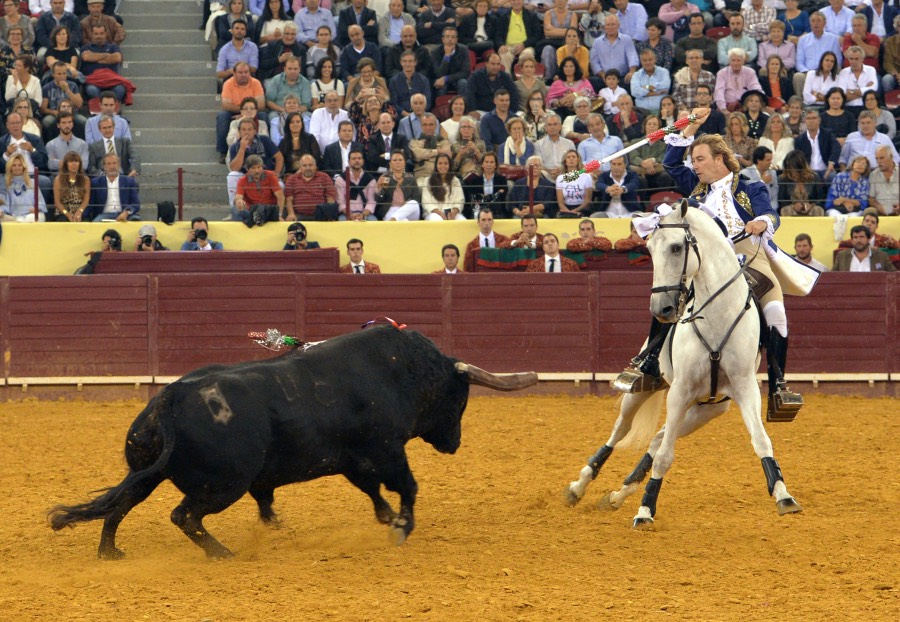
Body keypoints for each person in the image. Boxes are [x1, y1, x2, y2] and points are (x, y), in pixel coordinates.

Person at [615, 106, 807, 423]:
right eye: (694, 160)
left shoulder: (750, 184)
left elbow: (771, 214)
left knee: (776, 314)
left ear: (719, 159)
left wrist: (761, 222)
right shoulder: (696, 186)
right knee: (670, 291)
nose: (695, 165)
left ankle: (778, 387)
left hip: (750, 257)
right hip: (709, 262)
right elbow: (670, 162)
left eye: (700, 159)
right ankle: (649, 363)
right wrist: (690, 127)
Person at [794, 11, 842, 98]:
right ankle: (800, 102)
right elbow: (799, 62)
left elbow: (838, 59)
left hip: (827, 71)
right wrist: (808, 73)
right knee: (798, 77)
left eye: (818, 21)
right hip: (808, 72)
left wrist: (826, 70)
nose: (815, 23)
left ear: (824, 23)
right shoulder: (803, 40)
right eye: (813, 21)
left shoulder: (833, 39)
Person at [628, 114, 676, 197]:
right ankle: (642, 203)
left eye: (654, 124)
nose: (652, 126)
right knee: (639, 178)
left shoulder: (664, 145)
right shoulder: (635, 142)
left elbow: (663, 158)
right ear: (644, 126)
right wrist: (643, 163)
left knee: (665, 176)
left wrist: (652, 160)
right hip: (640, 172)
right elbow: (633, 157)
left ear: (659, 128)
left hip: (657, 172)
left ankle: (662, 200)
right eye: (649, 124)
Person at [234, 153, 286, 225]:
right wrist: (239, 201)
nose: (257, 171)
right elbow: (238, 197)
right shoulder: (243, 180)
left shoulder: (270, 175)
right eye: (253, 168)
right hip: (252, 211)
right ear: (247, 169)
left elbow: (280, 197)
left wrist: (279, 215)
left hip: (269, 210)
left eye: (259, 167)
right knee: (234, 210)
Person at [87, 153, 140, 222]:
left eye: (114, 163)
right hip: (104, 215)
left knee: (135, 221)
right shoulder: (96, 182)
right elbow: (90, 204)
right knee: (96, 223)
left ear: (119, 165)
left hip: (125, 214)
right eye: (108, 164)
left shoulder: (129, 181)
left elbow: (135, 204)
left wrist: (126, 212)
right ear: (104, 167)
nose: (112, 166)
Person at [589, 13, 638, 85]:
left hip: (622, 78)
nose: (610, 27)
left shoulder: (627, 39)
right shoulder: (597, 42)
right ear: (604, 27)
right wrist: (603, 75)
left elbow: (632, 57)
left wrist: (631, 72)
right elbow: (594, 62)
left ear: (618, 25)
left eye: (613, 24)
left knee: (631, 80)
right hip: (604, 78)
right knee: (593, 81)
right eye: (608, 25)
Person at [284, 153, 336, 220]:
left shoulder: (325, 177)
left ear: (315, 166)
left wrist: (328, 214)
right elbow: (288, 200)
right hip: (298, 216)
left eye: (310, 165)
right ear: (300, 168)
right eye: (304, 165)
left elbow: (330, 197)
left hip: (320, 216)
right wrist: (291, 214)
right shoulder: (291, 179)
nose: (308, 168)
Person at [493, 0, 540, 74]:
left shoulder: (532, 16)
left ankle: (524, 79)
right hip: (508, 46)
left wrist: (524, 44)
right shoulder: (503, 16)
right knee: (504, 55)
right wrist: (501, 45)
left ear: (523, 1)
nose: (516, 2)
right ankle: (507, 79)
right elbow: (498, 35)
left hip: (526, 46)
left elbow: (537, 35)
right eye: (513, 0)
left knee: (527, 54)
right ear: (510, 2)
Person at [375, 149, 422, 220]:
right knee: (404, 221)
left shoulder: (410, 178)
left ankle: (394, 219)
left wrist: (406, 204)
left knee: (414, 203)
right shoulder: (385, 177)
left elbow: (416, 198)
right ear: (390, 164)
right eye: (395, 160)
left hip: (407, 210)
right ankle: (395, 219)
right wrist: (380, 189)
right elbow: (379, 200)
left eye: (400, 160)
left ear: (404, 163)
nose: (398, 162)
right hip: (391, 209)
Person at [333, 147, 378, 220]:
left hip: (365, 214)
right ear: (349, 161)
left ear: (363, 161)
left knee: (373, 221)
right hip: (346, 214)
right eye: (354, 159)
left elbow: (371, 201)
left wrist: (363, 215)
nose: (357, 161)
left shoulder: (370, 180)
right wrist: (350, 215)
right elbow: (340, 201)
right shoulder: (341, 180)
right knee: (342, 222)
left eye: (359, 158)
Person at [778, 149, 826, 216]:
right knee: (785, 210)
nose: (791, 171)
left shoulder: (814, 177)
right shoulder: (783, 179)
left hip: (810, 209)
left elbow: (820, 199)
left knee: (818, 209)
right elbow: (781, 201)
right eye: (788, 167)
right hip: (792, 209)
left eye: (793, 168)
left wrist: (811, 205)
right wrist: (793, 206)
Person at [1, 153, 46, 222]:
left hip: (32, 215)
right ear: (10, 168)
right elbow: (4, 205)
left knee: (31, 218)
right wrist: (1, 211)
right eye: (14, 165)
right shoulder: (6, 184)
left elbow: (41, 202)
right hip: (15, 217)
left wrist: (37, 209)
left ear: (24, 167)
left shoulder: (32, 182)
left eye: (20, 165)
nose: (17, 168)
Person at [715, 48, 763, 113]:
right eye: (733, 60)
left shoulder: (750, 72)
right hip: (727, 106)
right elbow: (719, 92)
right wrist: (723, 109)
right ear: (729, 61)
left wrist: (761, 101)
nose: (736, 63)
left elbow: (756, 88)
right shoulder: (722, 73)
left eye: (738, 60)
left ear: (743, 61)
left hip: (746, 107)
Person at [420, 153, 464, 220]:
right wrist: (440, 214)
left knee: (462, 220)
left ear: (449, 165)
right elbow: (426, 202)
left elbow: (459, 200)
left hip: (452, 213)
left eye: (446, 163)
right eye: (440, 163)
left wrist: (454, 213)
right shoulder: (428, 181)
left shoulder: (455, 181)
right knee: (437, 219)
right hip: (433, 213)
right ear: (436, 165)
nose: (443, 166)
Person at [832, 225, 896, 272]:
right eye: (855, 237)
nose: (858, 240)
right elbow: (832, 277)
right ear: (851, 240)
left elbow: (894, 275)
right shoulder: (842, 256)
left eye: (861, 237)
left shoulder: (881, 256)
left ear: (868, 239)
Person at [275, 111, 320, 178]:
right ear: (288, 125)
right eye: (292, 122)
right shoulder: (283, 142)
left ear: (302, 124)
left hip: (309, 173)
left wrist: (302, 171)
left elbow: (317, 159)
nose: (295, 124)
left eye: (298, 122)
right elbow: (278, 159)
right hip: (291, 176)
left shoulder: (310, 138)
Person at [463, 151, 507, 218]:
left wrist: (484, 197)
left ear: (495, 165)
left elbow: (501, 198)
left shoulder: (502, 180)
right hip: (479, 210)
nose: (489, 164)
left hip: (497, 211)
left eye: (491, 162)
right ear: (482, 164)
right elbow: (475, 198)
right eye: (486, 162)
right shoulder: (474, 181)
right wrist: (494, 195)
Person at [463, 207, 508, 271]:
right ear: (478, 222)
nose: (486, 223)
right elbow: (467, 269)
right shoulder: (471, 246)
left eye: (489, 220)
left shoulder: (503, 240)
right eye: (483, 220)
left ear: (492, 222)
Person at [431, 26, 470, 98]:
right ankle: (440, 104)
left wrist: (446, 78)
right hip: (441, 80)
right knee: (439, 84)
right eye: (447, 37)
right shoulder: (435, 52)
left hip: (457, 79)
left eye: (453, 37)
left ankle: (462, 104)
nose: (450, 39)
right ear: (443, 39)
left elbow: (465, 72)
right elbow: (438, 73)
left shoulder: (464, 50)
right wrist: (447, 56)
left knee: (463, 82)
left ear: (456, 40)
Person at [534, 112, 574, 182]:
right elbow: (538, 164)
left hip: (565, 175)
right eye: (549, 125)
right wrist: (550, 171)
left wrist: (561, 171)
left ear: (560, 126)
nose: (552, 127)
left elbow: (574, 163)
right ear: (545, 127)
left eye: (555, 124)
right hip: (545, 177)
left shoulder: (569, 143)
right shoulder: (538, 144)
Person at [410, 114, 452, 179]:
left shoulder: (444, 142)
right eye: (425, 125)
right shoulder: (414, 142)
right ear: (421, 126)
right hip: (422, 175)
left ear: (436, 125)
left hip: (440, 175)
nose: (428, 128)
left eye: (431, 124)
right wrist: (438, 151)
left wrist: (425, 155)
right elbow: (418, 155)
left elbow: (446, 156)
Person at [630, 49, 671, 114]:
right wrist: (657, 93)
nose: (648, 62)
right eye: (645, 60)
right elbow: (634, 91)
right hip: (641, 112)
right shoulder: (636, 75)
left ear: (655, 59)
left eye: (650, 60)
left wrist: (646, 87)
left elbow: (666, 86)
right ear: (641, 61)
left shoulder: (664, 72)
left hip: (661, 111)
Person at [555, 149, 593, 218]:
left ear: (578, 160)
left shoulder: (587, 177)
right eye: (568, 157)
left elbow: (587, 200)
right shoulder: (560, 178)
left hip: (582, 208)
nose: (571, 159)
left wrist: (575, 211)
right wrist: (569, 212)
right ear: (565, 161)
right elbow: (560, 202)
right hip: (566, 208)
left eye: (573, 157)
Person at [52, 151, 89, 221]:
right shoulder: (58, 179)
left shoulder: (86, 180)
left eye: (76, 161)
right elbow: (57, 202)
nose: (74, 164)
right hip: (63, 212)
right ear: (66, 164)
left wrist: (79, 212)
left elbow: (86, 200)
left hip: (80, 212)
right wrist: (68, 214)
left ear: (80, 164)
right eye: (71, 161)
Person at [740, 145, 779, 212]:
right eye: (768, 160)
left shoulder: (773, 173)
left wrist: (769, 210)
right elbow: (748, 195)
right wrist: (762, 182)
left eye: (771, 160)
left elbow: (774, 197)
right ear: (759, 161)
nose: (771, 162)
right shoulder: (745, 173)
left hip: (769, 211)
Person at [868, 145, 900, 216]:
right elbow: (871, 199)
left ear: (891, 157)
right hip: (880, 214)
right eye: (877, 159)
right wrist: (879, 207)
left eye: (881, 158)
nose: (878, 161)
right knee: (869, 212)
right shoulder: (873, 175)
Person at [451, 115, 486, 180]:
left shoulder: (481, 144)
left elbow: (485, 163)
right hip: (461, 175)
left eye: (469, 127)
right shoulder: (454, 146)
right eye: (464, 127)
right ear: (460, 130)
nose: (466, 129)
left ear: (473, 130)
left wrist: (476, 150)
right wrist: (460, 154)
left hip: (478, 174)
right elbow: (453, 168)